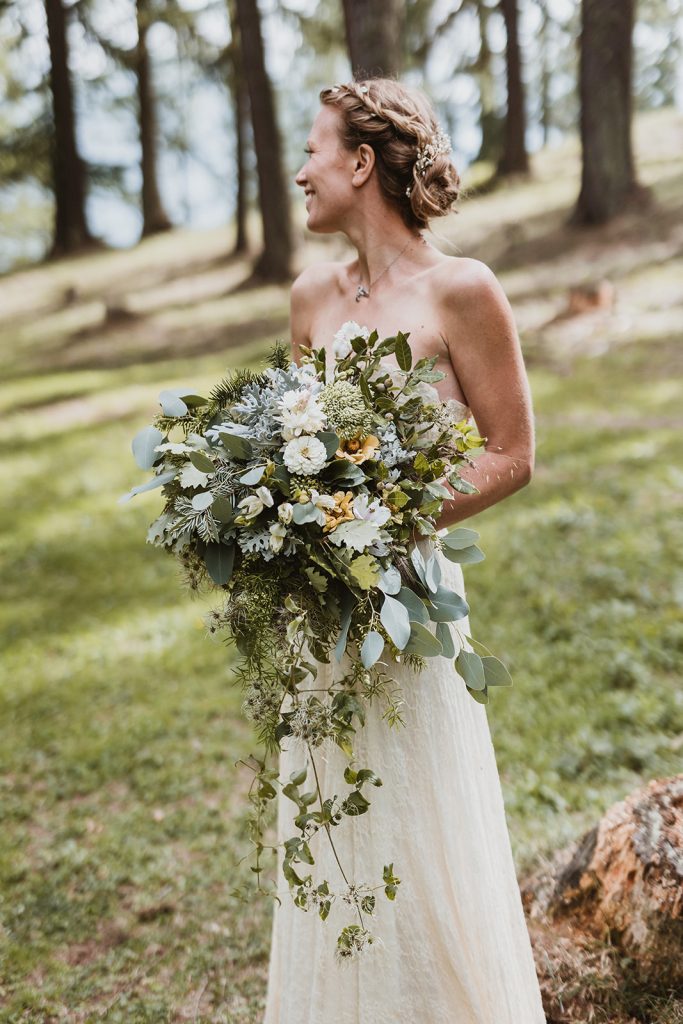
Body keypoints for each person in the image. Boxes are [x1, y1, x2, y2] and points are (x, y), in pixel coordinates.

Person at [262, 78, 546, 1024]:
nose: (299, 170)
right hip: (321, 610)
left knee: (424, 815)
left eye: (313, 150)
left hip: (411, 604)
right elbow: (300, 453)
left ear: (358, 163)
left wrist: (394, 518)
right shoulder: (309, 297)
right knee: (336, 814)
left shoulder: (463, 291)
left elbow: (511, 454)